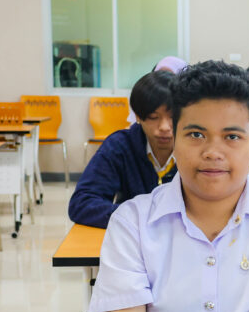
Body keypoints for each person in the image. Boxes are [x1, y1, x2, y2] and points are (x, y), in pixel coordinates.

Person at [89, 60, 249, 312]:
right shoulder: (132, 223)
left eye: (232, 137)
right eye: (196, 135)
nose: (212, 152)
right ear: (174, 139)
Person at [68, 71, 177, 228]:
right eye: (153, 117)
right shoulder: (120, 146)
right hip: (131, 236)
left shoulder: (196, 149)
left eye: (172, 117)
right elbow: (81, 204)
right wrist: (138, 217)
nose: (164, 127)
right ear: (137, 116)